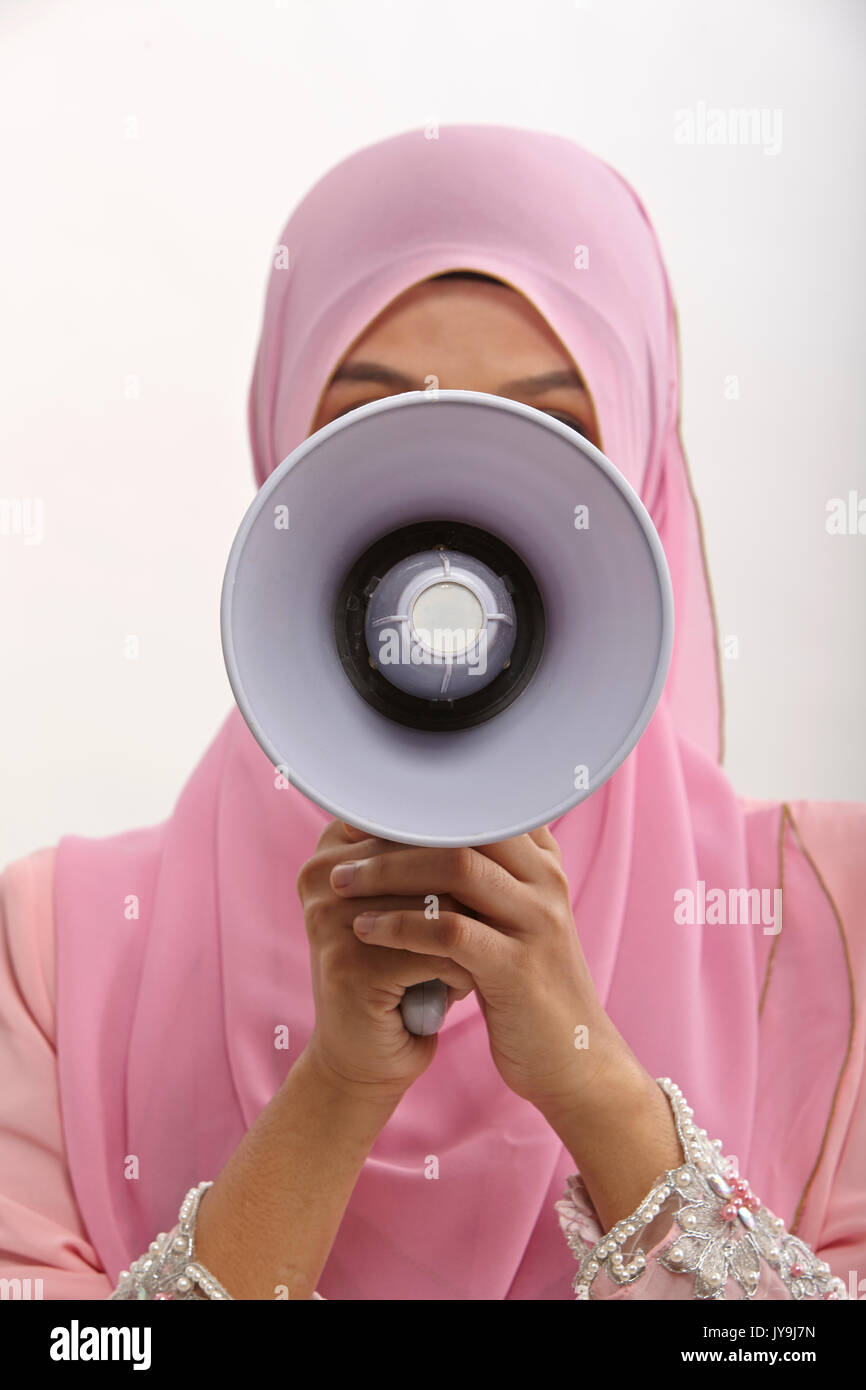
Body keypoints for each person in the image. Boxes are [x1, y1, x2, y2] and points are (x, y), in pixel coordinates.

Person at [1, 125, 863, 1302]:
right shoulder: (56, 950)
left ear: (642, 467)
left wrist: (592, 1081)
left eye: (556, 431)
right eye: (365, 419)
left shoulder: (822, 918)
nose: (460, 475)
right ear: (279, 464)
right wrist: (333, 1094)